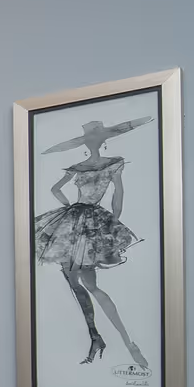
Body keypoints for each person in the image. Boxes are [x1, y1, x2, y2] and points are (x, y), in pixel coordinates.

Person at [34, 118, 152, 367]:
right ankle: (100, 337)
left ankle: (113, 339)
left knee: (84, 284)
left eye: (92, 138)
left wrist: (103, 221)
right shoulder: (103, 165)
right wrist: (108, 221)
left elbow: (57, 190)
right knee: (81, 283)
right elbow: (116, 196)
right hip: (83, 222)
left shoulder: (98, 165)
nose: (92, 142)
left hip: (81, 223)